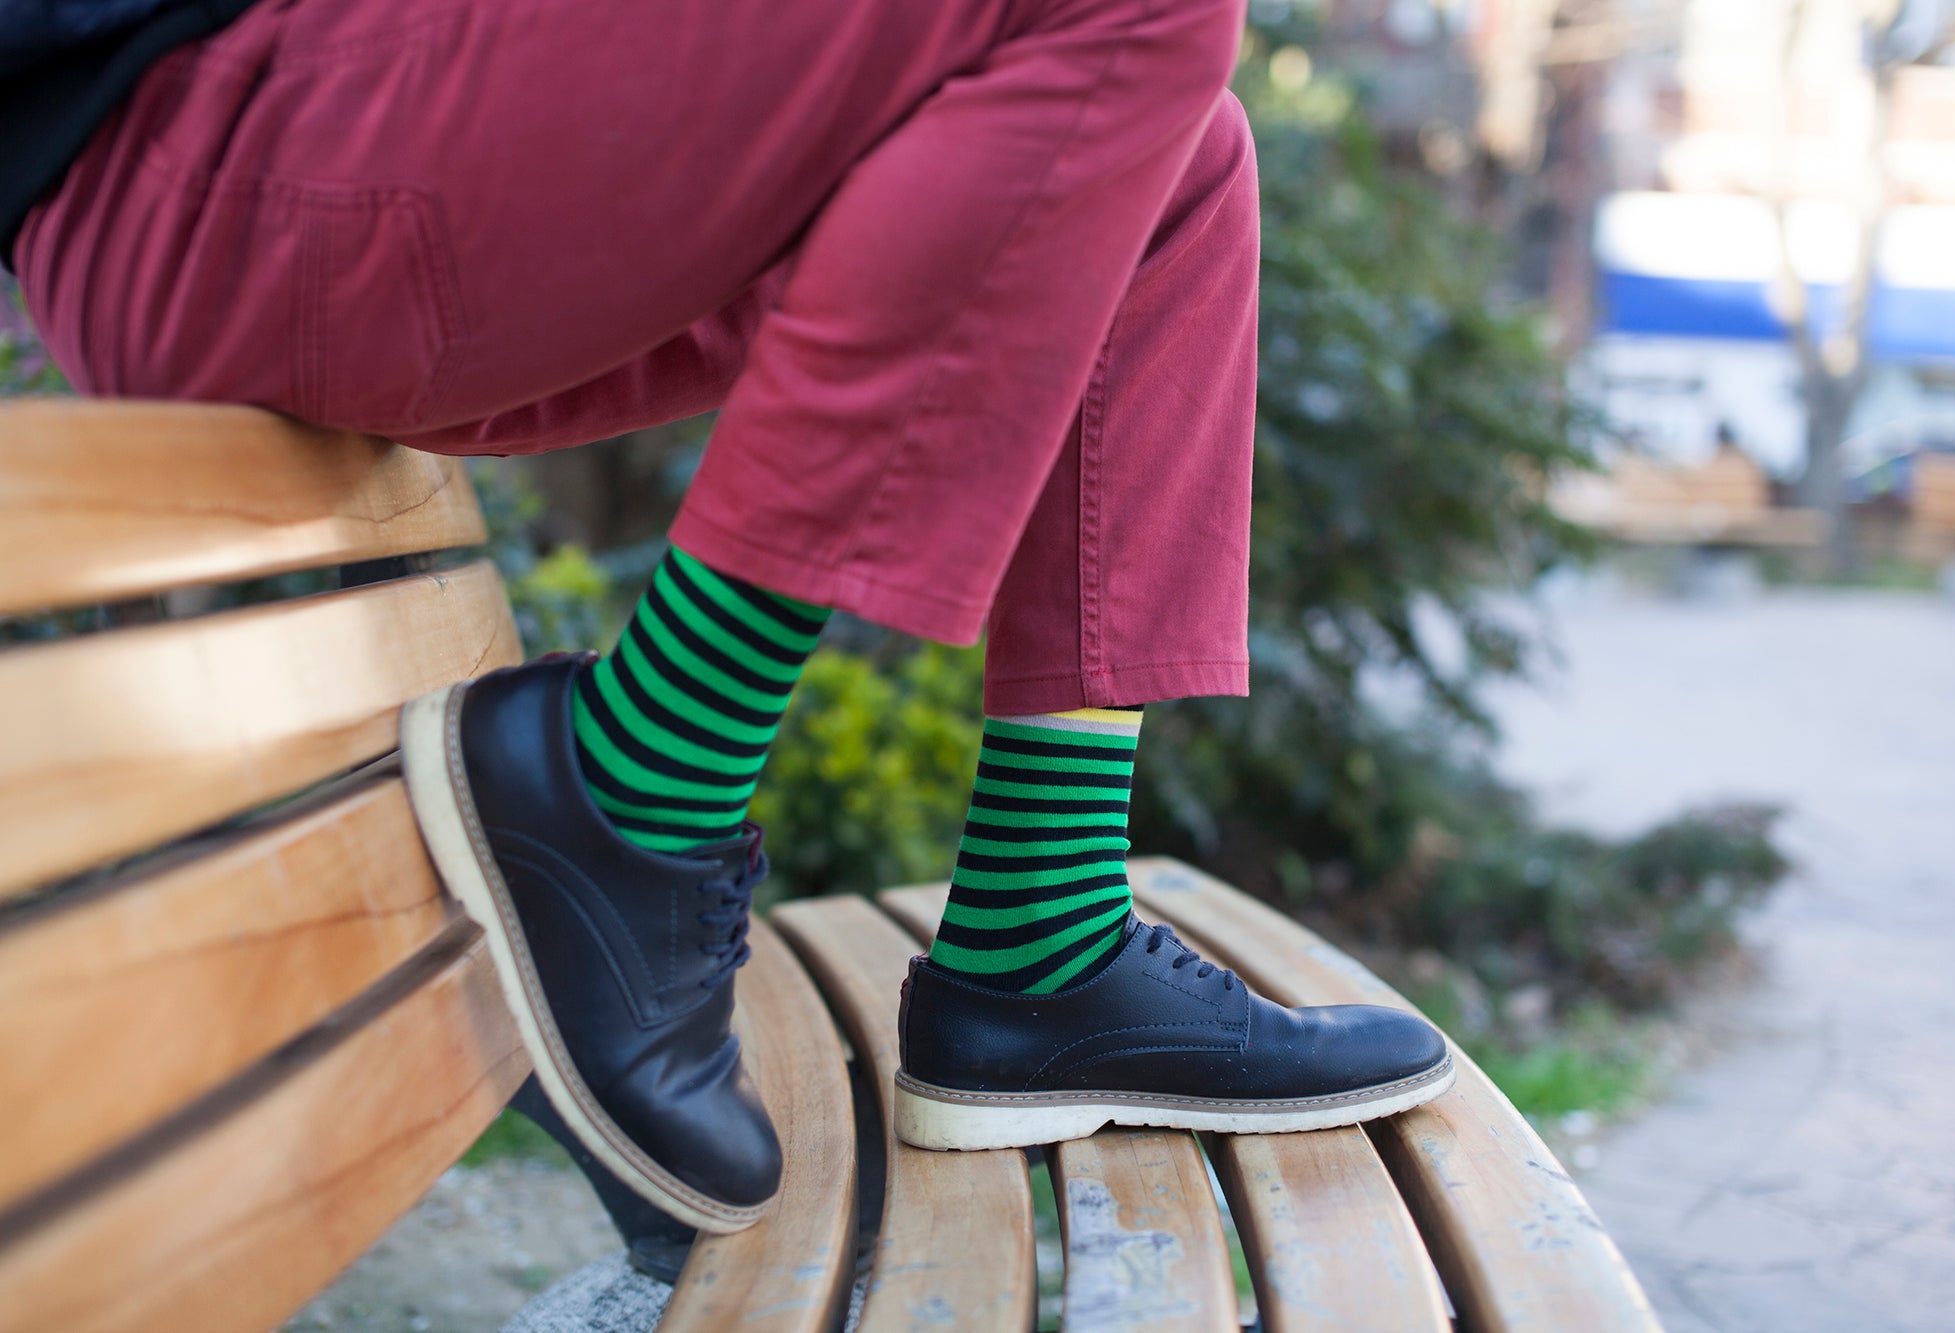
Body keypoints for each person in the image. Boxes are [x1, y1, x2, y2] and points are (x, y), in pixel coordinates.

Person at [4, 0, 1453, 1235]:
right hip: (210, 160)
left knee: (1177, 163)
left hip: (355, 148)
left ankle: (1044, 935)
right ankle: (640, 781)